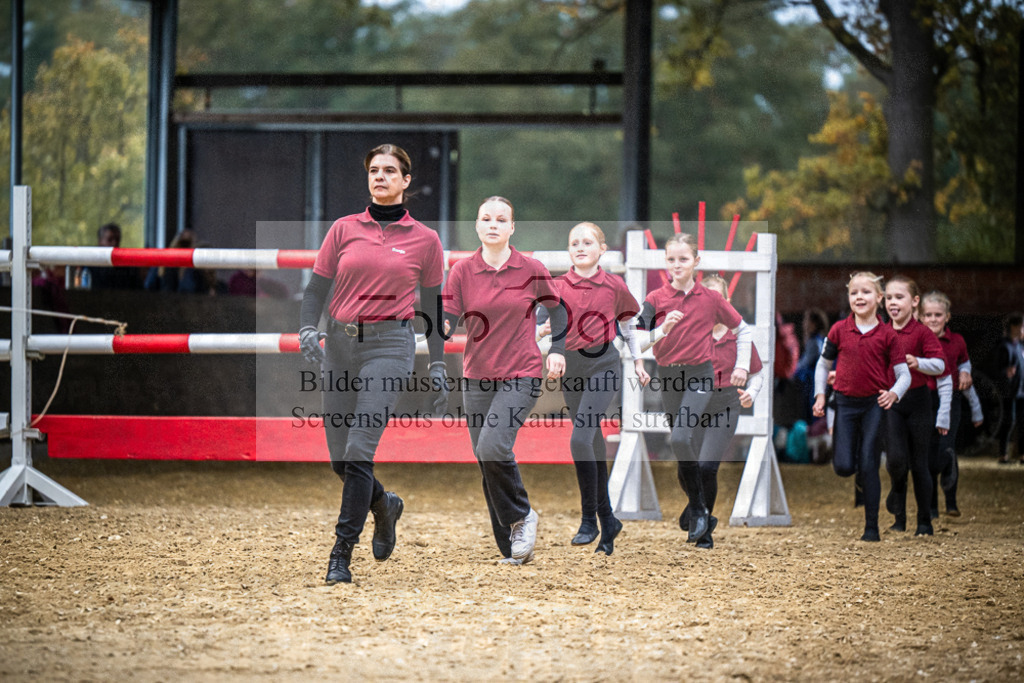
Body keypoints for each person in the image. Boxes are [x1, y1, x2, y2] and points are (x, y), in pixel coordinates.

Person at [297, 143, 448, 585]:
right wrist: (307, 329)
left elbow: (434, 309)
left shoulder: (426, 240)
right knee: (340, 461)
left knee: (360, 450)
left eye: (389, 171)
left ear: (405, 180)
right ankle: (384, 504)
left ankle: (340, 554)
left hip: (390, 347)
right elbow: (315, 291)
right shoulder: (343, 229)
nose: (380, 176)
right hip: (339, 347)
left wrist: (438, 365)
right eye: (374, 170)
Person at [441, 196, 566, 566]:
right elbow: (448, 314)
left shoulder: (531, 269)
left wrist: (558, 349)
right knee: (486, 458)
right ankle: (511, 546)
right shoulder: (462, 271)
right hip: (476, 377)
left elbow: (559, 312)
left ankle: (522, 516)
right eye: (486, 218)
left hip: (521, 373)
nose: (493, 225)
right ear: (477, 226)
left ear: (512, 227)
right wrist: (439, 327)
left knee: (493, 446)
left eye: (500, 219)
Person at [538, 221, 649, 555]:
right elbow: (542, 323)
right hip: (572, 368)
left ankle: (589, 519)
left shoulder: (614, 285)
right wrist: (543, 332)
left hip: (604, 364)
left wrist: (638, 360)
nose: (580, 247)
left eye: (587, 242)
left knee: (580, 439)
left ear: (602, 249)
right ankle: (608, 520)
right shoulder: (557, 286)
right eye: (574, 243)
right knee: (593, 444)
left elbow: (628, 325)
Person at [637, 233, 753, 548]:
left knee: (679, 439)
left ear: (696, 262)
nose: (677, 265)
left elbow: (742, 330)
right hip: (669, 377)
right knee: (683, 447)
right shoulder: (655, 298)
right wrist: (662, 330)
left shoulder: (711, 298)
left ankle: (700, 512)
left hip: (700, 374)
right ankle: (700, 510)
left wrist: (742, 366)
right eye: (671, 259)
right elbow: (636, 339)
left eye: (683, 259)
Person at [813, 272, 910, 542]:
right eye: (854, 292)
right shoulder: (838, 330)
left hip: (874, 405)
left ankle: (871, 528)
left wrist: (894, 393)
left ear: (879, 298)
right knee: (844, 466)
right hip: (844, 403)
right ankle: (858, 467)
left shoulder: (888, 335)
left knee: (869, 464)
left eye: (866, 292)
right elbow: (823, 365)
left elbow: (904, 375)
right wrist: (820, 396)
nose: (859, 297)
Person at [678, 274, 764, 549]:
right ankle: (696, 505)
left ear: (727, 302)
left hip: (725, 404)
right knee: (685, 468)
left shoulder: (739, 338)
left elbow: (757, 374)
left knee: (706, 467)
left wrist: (751, 393)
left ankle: (704, 529)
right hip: (695, 403)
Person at [882, 275, 948, 536]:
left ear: (914, 301)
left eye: (899, 297)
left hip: (919, 401)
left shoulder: (922, 332)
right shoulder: (880, 332)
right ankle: (898, 514)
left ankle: (924, 521)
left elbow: (940, 365)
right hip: (892, 402)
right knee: (896, 460)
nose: (893, 302)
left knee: (920, 464)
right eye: (888, 297)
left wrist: (917, 362)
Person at [920, 291, 984, 517]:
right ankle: (931, 506)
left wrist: (966, 372)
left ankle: (951, 501)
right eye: (928, 315)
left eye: (938, 315)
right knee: (928, 451)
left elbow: (964, 362)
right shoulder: (916, 340)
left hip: (951, 401)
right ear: (920, 317)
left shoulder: (957, 341)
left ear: (947, 317)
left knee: (946, 448)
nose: (933, 319)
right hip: (924, 400)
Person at [995, 313, 1024, 463]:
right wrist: (1005, 373)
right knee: (1009, 421)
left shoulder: (1020, 346)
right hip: (1009, 391)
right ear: (1014, 327)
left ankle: (1022, 455)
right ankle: (1003, 455)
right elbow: (996, 370)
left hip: (1021, 390)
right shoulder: (1004, 346)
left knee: (1022, 422)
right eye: (1022, 327)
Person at [86, 223, 142, 290]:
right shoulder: (90, 263)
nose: (114, 243)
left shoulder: (127, 266)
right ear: (100, 241)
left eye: (117, 239)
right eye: (110, 240)